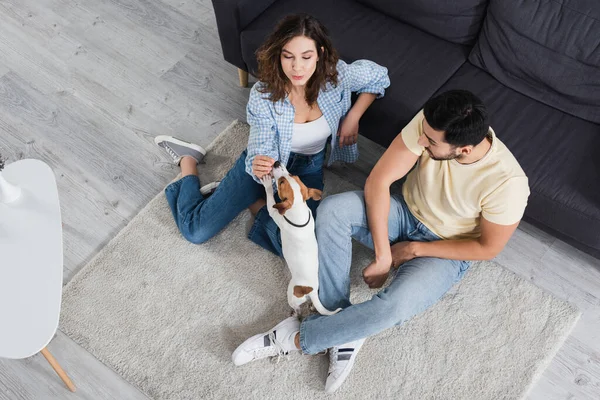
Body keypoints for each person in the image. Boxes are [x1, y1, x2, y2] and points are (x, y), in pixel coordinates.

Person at [232, 90, 530, 392]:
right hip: (404, 209)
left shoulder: (508, 184)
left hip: (446, 247)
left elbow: (488, 247)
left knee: (394, 307)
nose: (422, 142)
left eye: (430, 143)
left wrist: (413, 249)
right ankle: (339, 320)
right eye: (424, 136)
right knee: (332, 210)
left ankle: (294, 338)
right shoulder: (433, 122)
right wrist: (385, 256)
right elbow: (379, 181)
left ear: (463, 150)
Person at [154, 14, 390, 256]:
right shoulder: (263, 95)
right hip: (267, 167)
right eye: (288, 57)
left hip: (308, 168)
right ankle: (188, 161)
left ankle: (253, 201)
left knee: (302, 244)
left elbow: (379, 76)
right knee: (196, 231)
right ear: (278, 55)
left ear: (319, 53)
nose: (297, 67)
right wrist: (260, 163)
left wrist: (353, 117)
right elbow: (261, 144)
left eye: (306, 57)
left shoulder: (336, 76)